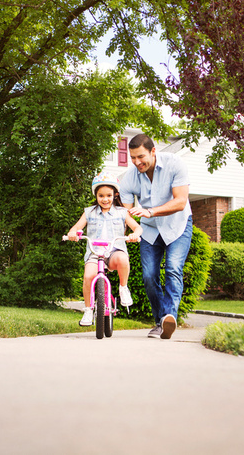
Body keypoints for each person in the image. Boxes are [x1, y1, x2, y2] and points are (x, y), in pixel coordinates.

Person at [119, 133, 192, 339]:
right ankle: (161, 322)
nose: (137, 162)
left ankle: (169, 315)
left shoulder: (175, 164)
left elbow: (180, 201)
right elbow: (126, 213)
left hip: (177, 225)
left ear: (153, 151)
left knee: (173, 269)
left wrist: (151, 211)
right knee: (149, 276)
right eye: (133, 158)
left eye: (141, 156)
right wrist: (121, 236)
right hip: (150, 230)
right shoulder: (129, 178)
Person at [66, 172, 143, 327]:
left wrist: (135, 234)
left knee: (123, 259)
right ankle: (88, 309)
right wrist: (72, 233)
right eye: (101, 196)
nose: (105, 199)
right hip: (95, 253)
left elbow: (137, 227)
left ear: (115, 195)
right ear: (96, 195)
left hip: (114, 252)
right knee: (88, 276)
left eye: (109, 195)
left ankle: (123, 287)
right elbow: (76, 227)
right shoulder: (89, 212)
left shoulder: (122, 212)